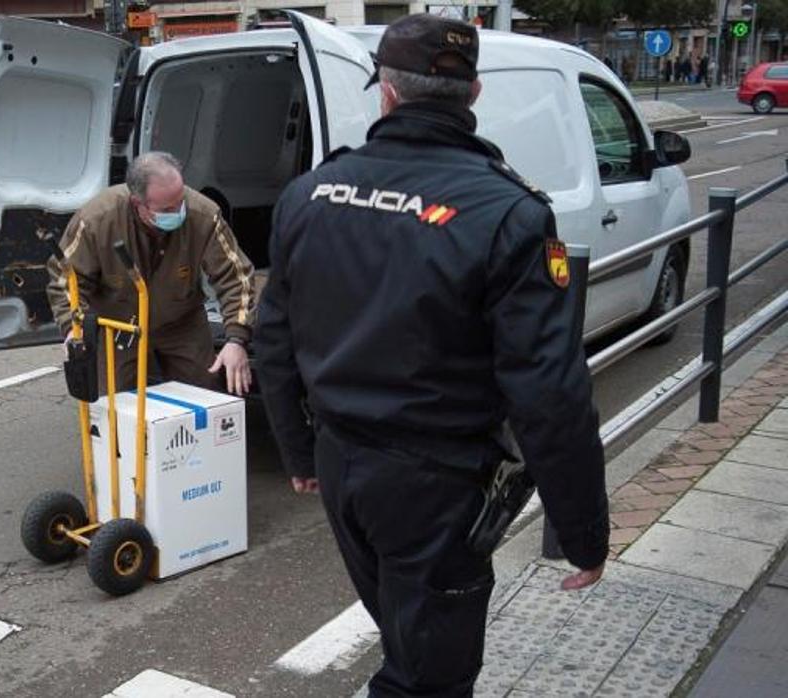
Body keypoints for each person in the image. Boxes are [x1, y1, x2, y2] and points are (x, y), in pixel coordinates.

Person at [257, 14, 609, 696]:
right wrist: (583, 531)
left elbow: (275, 338)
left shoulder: (308, 196)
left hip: (342, 467)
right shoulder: (507, 213)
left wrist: (300, 453)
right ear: (473, 93)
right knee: (429, 677)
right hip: (435, 485)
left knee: (404, 638)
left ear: (384, 92)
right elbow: (549, 393)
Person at [46, 152, 255, 396]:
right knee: (113, 405)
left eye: (181, 201)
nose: (178, 211)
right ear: (138, 204)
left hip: (181, 322)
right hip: (118, 325)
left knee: (205, 393)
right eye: (168, 208)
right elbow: (64, 278)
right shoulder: (97, 220)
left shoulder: (203, 214)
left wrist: (236, 340)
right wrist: (75, 329)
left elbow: (236, 276)